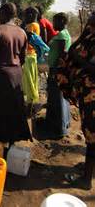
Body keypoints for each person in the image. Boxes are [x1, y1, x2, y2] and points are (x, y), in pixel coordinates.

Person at [57, 13, 95, 189]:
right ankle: (90, 169)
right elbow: (76, 46)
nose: (91, 16)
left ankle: (86, 180)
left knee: (92, 135)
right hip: (87, 91)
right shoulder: (89, 36)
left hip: (93, 94)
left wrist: (78, 58)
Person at [0, 2, 32, 147]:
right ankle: (14, 138)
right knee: (15, 106)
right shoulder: (22, 32)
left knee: (0, 108)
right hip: (17, 73)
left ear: (3, 13)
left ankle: (2, 140)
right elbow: (23, 58)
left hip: (1, 74)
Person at [45, 12, 71, 138]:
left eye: (54, 21)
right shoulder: (63, 34)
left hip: (57, 70)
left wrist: (55, 71)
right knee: (59, 98)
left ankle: (59, 129)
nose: (53, 23)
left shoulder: (61, 35)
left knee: (58, 99)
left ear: (61, 21)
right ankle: (60, 124)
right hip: (57, 70)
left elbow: (62, 55)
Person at [22, 7, 40, 111]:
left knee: (29, 82)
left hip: (29, 55)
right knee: (31, 81)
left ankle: (30, 106)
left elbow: (26, 41)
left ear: (31, 15)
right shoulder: (35, 25)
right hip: (32, 55)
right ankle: (31, 105)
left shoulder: (31, 26)